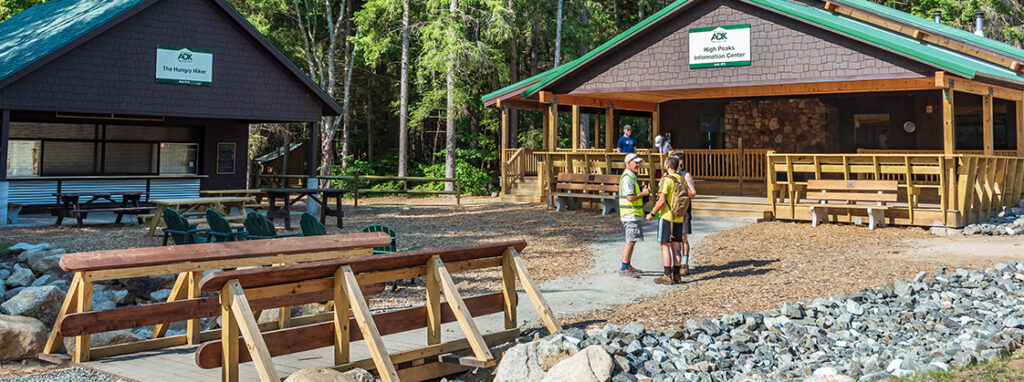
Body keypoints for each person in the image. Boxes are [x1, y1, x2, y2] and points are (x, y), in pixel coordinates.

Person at [645, 156, 693, 284]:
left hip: (667, 217)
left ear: (667, 166)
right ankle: (677, 275)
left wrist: (652, 213)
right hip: (679, 217)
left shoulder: (666, 180)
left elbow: (662, 200)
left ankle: (667, 275)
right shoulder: (682, 180)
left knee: (664, 245)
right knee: (677, 245)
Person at [618, 154, 650, 278]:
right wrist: (643, 193)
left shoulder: (632, 177)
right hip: (630, 215)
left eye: (638, 162)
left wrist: (643, 197)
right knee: (630, 241)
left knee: (632, 240)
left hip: (634, 214)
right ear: (628, 163)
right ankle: (624, 267)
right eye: (635, 162)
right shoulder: (627, 178)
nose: (638, 165)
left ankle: (628, 265)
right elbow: (630, 197)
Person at [670, 152, 698, 275]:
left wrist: (682, 186)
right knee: (673, 239)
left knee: (683, 238)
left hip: (683, 211)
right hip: (671, 212)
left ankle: (684, 264)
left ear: (680, 162)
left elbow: (693, 194)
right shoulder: (669, 174)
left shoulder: (686, 175)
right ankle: (676, 264)